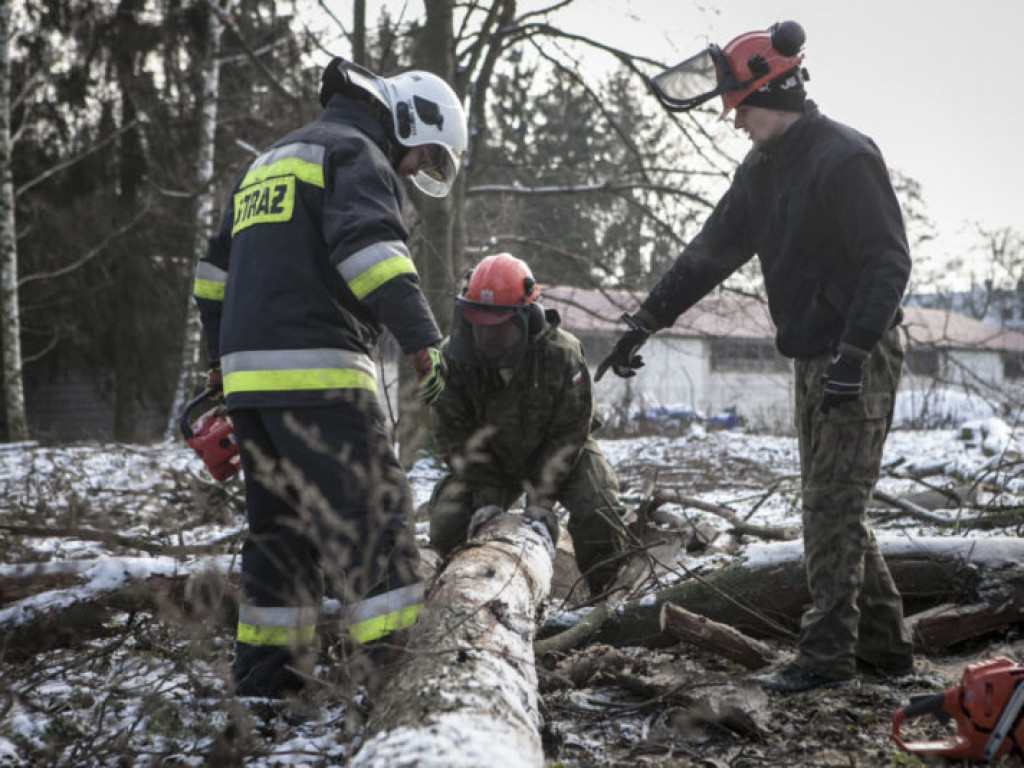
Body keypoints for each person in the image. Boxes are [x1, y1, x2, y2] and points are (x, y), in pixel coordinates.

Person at [597, 21, 914, 693]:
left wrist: (855, 354)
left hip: (863, 348)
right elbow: (710, 253)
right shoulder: (761, 171)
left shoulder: (844, 157)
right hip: (811, 353)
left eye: (742, 107)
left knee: (830, 507)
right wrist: (645, 321)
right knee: (835, 504)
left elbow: (888, 263)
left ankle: (828, 659)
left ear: (782, 89)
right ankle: (886, 650)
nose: (734, 120)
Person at [192, 57, 467, 697]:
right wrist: (424, 340)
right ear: (406, 120)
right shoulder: (356, 156)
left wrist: (217, 362)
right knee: (373, 517)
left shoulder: (267, 163)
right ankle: (396, 678)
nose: (412, 171)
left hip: (249, 383)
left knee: (279, 531)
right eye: (420, 157)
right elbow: (371, 255)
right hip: (319, 372)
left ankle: (267, 685)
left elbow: (212, 278)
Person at [428, 253, 629, 597]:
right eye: (479, 324)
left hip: (560, 452)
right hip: (489, 458)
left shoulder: (561, 354)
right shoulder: (453, 360)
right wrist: (487, 496)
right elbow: (454, 435)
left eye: (498, 327)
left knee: (599, 506)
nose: (487, 337)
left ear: (528, 320)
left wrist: (542, 498)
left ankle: (607, 596)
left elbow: (570, 431)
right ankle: (461, 593)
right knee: (448, 519)